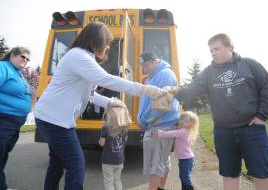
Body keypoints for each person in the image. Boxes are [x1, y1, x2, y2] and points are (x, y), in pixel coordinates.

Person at [34, 22, 162, 190]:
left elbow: (91, 95)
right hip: (54, 120)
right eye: (106, 42)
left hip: (52, 118)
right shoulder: (78, 56)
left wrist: (110, 101)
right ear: (95, 42)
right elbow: (106, 79)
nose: (108, 46)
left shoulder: (85, 58)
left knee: (57, 163)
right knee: (76, 165)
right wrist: (143, 88)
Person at [165, 33, 268, 190]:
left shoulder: (249, 65)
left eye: (216, 49)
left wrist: (262, 115)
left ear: (230, 47)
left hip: (252, 129)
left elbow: (267, 87)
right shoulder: (209, 73)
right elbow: (193, 88)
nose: (213, 53)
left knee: (262, 173)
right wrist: (176, 91)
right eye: (211, 50)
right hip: (224, 131)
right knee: (229, 174)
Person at [137, 52, 180, 190]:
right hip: (161, 125)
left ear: (155, 61)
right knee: (162, 161)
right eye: (143, 66)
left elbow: (160, 106)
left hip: (159, 126)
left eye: (146, 65)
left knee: (156, 165)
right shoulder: (156, 75)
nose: (145, 69)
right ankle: (160, 187)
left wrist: (143, 121)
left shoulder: (164, 76)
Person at [0, 47, 32, 190]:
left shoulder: (19, 74)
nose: (25, 60)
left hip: (14, 123)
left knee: (3, 155)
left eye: (27, 59)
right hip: (3, 120)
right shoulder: (3, 67)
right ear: (12, 55)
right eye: (23, 57)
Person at [153, 111, 199, 190]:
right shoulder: (184, 130)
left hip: (186, 159)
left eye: (186, 121)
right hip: (184, 159)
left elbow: (172, 133)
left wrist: (160, 133)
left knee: (185, 176)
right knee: (183, 176)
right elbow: (175, 131)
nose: (182, 121)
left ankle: (189, 188)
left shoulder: (183, 132)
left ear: (191, 124)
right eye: (181, 119)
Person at [99, 125, 127, 190]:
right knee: (117, 180)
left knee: (109, 181)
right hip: (119, 160)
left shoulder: (106, 128)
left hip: (107, 161)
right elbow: (125, 140)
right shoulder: (124, 128)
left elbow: (101, 143)